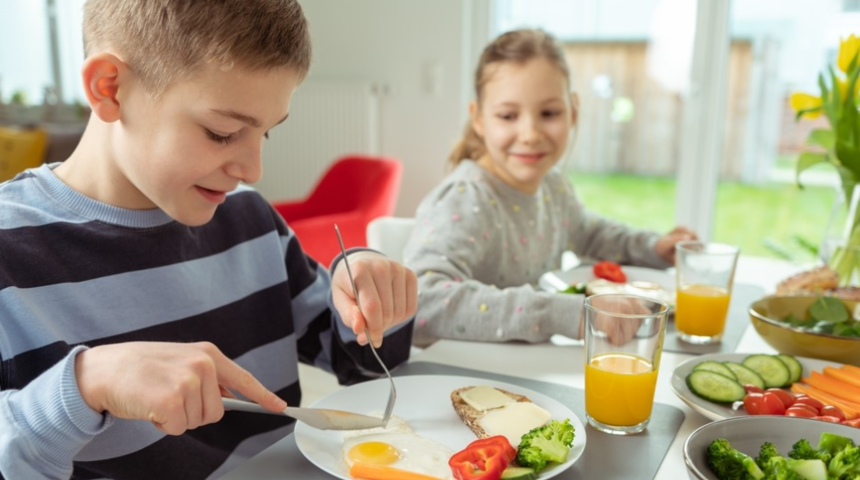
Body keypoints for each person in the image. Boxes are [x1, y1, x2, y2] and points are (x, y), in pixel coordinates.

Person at [0, 1, 417, 479]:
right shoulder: (9, 252)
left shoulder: (249, 219)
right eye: (222, 133)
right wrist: (84, 385)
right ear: (110, 88)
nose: (253, 170)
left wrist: (371, 294)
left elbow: (359, 362)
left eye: (266, 134)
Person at [403, 29, 694, 347]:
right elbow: (422, 301)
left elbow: (592, 233)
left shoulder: (553, 186)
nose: (530, 133)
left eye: (549, 113)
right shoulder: (467, 197)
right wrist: (571, 314)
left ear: (573, 112)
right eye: (508, 115)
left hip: (530, 371)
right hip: (469, 380)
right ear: (480, 119)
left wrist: (654, 248)